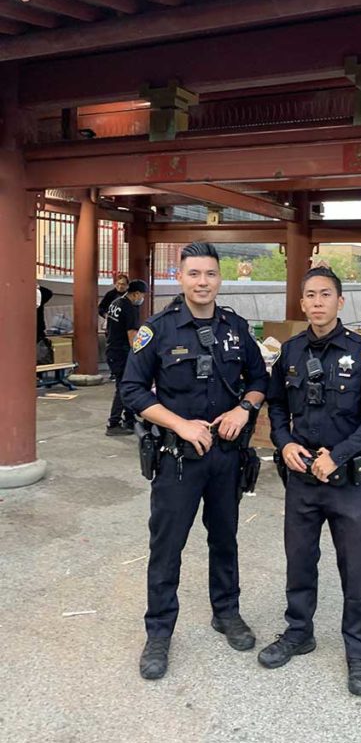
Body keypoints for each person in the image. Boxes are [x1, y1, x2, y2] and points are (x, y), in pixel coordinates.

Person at [120, 242, 268, 681]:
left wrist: (245, 409)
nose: (202, 282)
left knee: (225, 539)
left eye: (210, 274)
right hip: (176, 459)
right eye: (194, 274)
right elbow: (132, 389)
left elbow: (260, 380)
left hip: (225, 458)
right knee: (166, 548)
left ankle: (226, 612)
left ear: (219, 279)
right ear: (180, 277)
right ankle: (159, 632)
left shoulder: (236, 328)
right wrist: (180, 424)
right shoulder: (158, 330)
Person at [261, 267, 361, 697]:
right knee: (299, 561)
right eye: (310, 295)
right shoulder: (291, 352)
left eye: (326, 295)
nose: (317, 302)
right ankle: (299, 632)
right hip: (302, 479)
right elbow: (277, 405)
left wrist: (337, 455)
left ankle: (359, 652)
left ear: (340, 302)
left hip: (347, 481)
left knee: (355, 569)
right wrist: (283, 443)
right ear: (301, 303)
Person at [104, 279, 148, 436]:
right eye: (142, 295)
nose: (142, 299)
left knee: (126, 385)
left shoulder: (116, 302)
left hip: (112, 349)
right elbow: (132, 336)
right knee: (123, 387)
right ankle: (113, 423)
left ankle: (129, 419)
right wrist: (139, 355)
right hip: (122, 352)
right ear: (136, 294)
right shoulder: (129, 308)